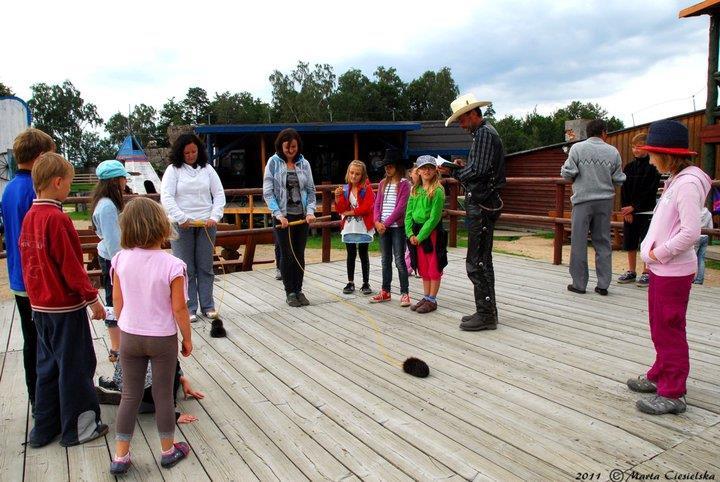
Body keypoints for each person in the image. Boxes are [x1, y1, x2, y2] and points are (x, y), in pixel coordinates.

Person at [19, 152, 108, 448]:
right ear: (58, 182)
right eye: (69, 184)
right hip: (64, 309)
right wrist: (92, 298)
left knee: (47, 367)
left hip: (40, 308)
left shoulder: (30, 217)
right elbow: (71, 266)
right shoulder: (57, 219)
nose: (69, 189)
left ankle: (44, 427)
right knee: (76, 366)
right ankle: (80, 428)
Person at [626, 120, 711, 415]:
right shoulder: (677, 179)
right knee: (660, 326)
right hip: (663, 269)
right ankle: (661, 371)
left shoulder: (686, 184)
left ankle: (673, 392)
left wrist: (658, 254)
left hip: (672, 269)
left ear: (666, 154)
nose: (649, 158)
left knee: (670, 328)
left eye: (652, 153)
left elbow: (690, 231)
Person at [109, 197, 193, 474]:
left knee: (130, 396)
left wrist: (125, 327)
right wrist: (187, 339)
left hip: (130, 335)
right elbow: (179, 308)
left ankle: (121, 455)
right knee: (163, 397)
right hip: (162, 339)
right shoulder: (173, 265)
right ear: (162, 227)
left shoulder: (120, 259)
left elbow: (117, 302)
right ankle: (168, 450)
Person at [1, 128, 55, 415]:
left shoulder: (10, 188)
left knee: (31, 340)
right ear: (41, 157)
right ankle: (43, 402)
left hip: (18, 277)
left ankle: (37, 397)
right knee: (42, 344)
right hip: (36, 281)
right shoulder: (32, 193)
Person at [443, 93, 505, 331]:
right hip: (484, 202)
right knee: (482, 260)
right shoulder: (487, 133)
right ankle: (487, 311)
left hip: (481, 203)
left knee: (476, 261)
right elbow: (481, 168)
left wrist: (454, 172)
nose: (461, 123)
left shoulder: (484, 135)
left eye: (462, 118)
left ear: (472, 114)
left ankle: (486, 313)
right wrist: (463, 168)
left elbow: (478, 171)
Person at [161, 134, 226, 322]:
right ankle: (189, 307)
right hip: (182, 224)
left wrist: (215, 216)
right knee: (184, 268)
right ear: (180, 153)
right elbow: (167, 197)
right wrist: (181, 218)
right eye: (187, 152)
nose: (190, 155)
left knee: (205, 266)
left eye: (194, 151)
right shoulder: (173, 170)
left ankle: (208, 305)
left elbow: (219, 193)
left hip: (206, 224)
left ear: (199, 151)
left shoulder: (207, 169)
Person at [561, 119, 626, 296]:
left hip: (582, 200)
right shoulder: (613, 152)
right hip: (605, 202)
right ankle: (603, 284)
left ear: (588, 132)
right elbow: (619, 178)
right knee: (603, 242)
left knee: (579, 242)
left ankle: (579, 284)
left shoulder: (577, 149)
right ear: (604, 132)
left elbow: (568, 172)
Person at [263, 128, 317, 307]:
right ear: (281, 146)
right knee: (287, 255)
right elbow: (268, 192)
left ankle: (299, 289)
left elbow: (310, 191)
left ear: (298, 146)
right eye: (287, 147)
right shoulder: (273, 162)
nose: (291, 150)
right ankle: (290, 292)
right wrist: (278, 214)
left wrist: (310, 212)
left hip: (301, 216)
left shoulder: (304, 164)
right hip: (282, 218)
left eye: (293, 147)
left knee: (299, 254)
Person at [91, 160, 132, 362]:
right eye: (124, 177)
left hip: (113, 257)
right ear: (116, 180)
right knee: (113, 299)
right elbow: (114, 242)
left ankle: (120, 344)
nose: (125, 182)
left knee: (115, 298)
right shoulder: (107, 206)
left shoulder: (105, 203)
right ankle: (116, 346)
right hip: (113, 259)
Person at [97, 359, 204, 425]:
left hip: (126, 381)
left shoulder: (131, 332)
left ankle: (120, 390)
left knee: (175, 371)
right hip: (147, 396)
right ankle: (125, 398)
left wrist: (181, 379)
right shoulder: (162, 340)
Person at [617, 133, 661, 287]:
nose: (636, 150)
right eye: (634, 147)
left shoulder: (653, 167)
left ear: (647, 148)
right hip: (630, 213)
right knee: (630, 241)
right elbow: (624, 190)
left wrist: (634, 207)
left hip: (646, 211)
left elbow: (649, 190)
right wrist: (626, 210)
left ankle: (646, 271)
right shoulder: (629, 167)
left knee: (646, 242)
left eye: (639, 147)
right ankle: (631, 270)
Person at [405, 156, 447, 314]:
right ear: (418, 171)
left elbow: (434, 218)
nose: (427, 170)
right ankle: (426, 296)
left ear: (435, 169)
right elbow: (408, 213)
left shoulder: (437, 191)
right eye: (423, 168)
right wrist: (410, 233)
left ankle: (432, 299)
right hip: (416, 232)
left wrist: (421, 236)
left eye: (430, 167)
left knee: (433, 265)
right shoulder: (415, 190)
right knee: (422, 265)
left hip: (432, 233)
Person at [370, 149, 411, 306]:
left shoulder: (404, 184)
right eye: (386, 166)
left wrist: (385, 224)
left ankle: (404, 292)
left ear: (398, 167)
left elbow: (400, 208)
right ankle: (385, 291)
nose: (387, 169)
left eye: (391, 166)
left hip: (396, 227)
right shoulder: (382, 184)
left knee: (399, 260)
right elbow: (377, 204)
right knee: (385, 260)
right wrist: (376, 222)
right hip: (382, 228)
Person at [335, 160, 375, 295]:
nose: (354, 176)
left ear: (362, 175)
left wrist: (350, 212)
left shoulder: (367, 189)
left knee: (364, 253)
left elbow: (367, 207)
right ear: (348, 173)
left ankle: (365, 282)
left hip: (363, 226)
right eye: (352, 173)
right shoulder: (345, 189)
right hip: (350, 226)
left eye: (357, 174)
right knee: (350, 254)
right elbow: (340, 209)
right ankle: (350, 282)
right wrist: (337, 197)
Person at [693, 207, 713, 285]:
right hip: (705, 237)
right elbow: (711, 228)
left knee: (693, 258)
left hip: (696, 237)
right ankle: (699, 279)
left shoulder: (695, 211)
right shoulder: (709, 213)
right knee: (701, 258)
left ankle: (692, 278)